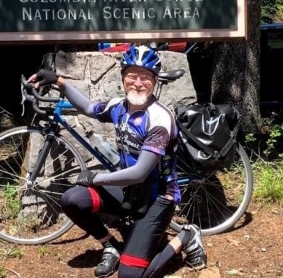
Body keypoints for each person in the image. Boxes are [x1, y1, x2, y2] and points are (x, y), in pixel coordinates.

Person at [28, 45, 206, 278]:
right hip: (130, 192)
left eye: (145, 77)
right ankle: (111, 245)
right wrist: (59, 81)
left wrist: (95, 178)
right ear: (123, 77)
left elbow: (139, 173)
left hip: (158, 198)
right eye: (132, 75)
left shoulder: (160, 119)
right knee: (73, 199)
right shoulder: (118, 107)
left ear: (155, 81)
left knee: (129, 276)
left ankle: (186, 236)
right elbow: (88, 107)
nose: (138, 83)